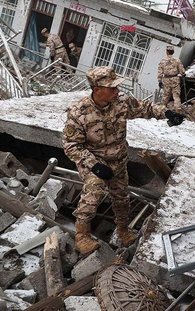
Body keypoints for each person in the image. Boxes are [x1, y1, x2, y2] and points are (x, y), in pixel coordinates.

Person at [63, 66, 184, 255]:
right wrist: (94, 165)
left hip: (118, 160)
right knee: (94, 191)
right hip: (94, 163)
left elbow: (145, 108)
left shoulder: (121, 102)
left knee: (121, 198)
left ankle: (123, 231)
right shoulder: (79, 113)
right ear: (97, 90)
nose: (117, 91)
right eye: (112, 88)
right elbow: (71, 145)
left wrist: (166, 113)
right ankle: (82, 235)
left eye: (117, 87)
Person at [157, 45, 185, 110]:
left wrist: (159, 80)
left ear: (167, 52)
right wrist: (183, 74)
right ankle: (177, 109)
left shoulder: (163, 61)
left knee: (165, 95)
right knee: (176, 95)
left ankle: (162, 109)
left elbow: (160, 72)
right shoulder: (177, 60)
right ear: (173, 52)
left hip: (166, 80)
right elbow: (182, 71)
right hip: (175, 79)